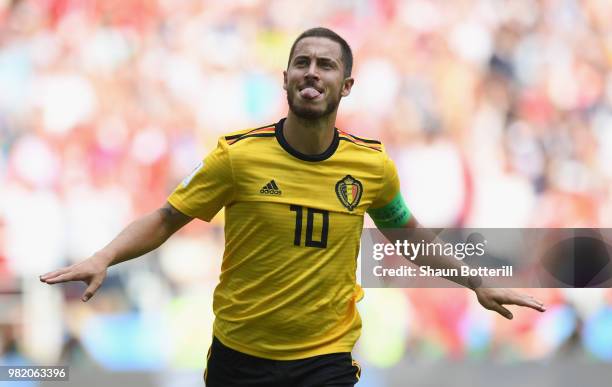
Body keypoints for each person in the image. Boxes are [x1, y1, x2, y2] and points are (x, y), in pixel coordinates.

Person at [40, 27, 546, 386]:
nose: (312, 72)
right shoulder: (237, 156)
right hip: (240, 357)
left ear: (345, 85)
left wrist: (477, 282)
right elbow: (166, 218)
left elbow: (411, 238)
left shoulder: (371, 167)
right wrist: (104, 256)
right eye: (302, 62)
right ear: (284, 79)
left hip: (324, 360)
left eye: (326, 64)